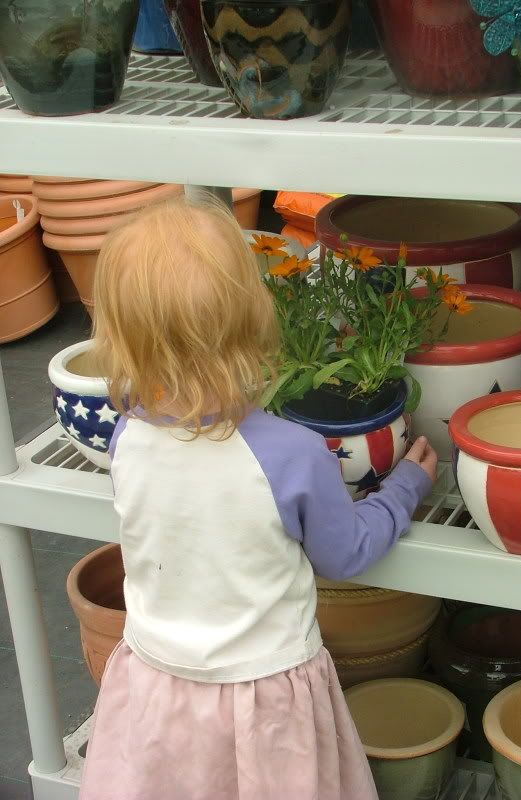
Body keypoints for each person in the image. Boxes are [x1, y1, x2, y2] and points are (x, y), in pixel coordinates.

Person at [79, 195, 438, 800]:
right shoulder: (292, 453)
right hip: (263, 695)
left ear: (118, 336)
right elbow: (345, 553)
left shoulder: (127, 437)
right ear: (254, 317)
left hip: (158, 685)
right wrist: (404, 487)